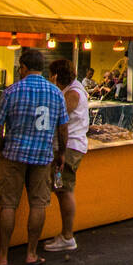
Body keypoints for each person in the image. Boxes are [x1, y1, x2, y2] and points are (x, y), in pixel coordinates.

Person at [0, 47, 68, 265]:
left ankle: (2, 256)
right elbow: (63, 128)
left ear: (23, 67)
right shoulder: (55, 93)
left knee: (8, 204)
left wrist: (0, 145)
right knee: (38, 204)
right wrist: (61, 152)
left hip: (13, 154)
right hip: (43, 155)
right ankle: (31, 254)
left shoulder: (12, 91)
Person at [43, 58, 88, 253]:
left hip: (68, 148)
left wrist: (52, 90)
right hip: (68, 146)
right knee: (62, 189)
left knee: (65, 190)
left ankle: (68, 236)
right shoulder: (72, 89)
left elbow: (58, 115)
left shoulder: (73, 93)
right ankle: (66, 234)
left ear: (55, 75)